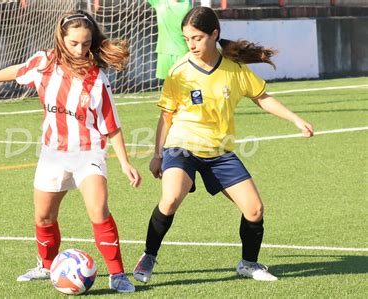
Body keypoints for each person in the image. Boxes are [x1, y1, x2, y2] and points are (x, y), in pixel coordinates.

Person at [0, 10, 141, 293]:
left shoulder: (97, 79)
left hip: (88, 152)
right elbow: (18, 70)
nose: (80, 50)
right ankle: (46, 265)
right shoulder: (44, 62)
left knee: (99, 211)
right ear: (61, 39)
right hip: (52, 153)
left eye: (86, 43)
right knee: (43, 217)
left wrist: (125, 163)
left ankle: (117, 275)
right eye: (74, 43)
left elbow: (111, 125)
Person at [133, 6, 314, 283]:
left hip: (219, 151)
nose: (191, 44)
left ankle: (249, 264)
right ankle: (149, 256)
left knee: (254, 209)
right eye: (187, 38)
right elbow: (166, 116)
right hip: (182, 147)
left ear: (214, 34)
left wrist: (295, 119)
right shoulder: (179, 71)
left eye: (197, 37)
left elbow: (262, 97)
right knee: (170, 199)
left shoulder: (235, 69)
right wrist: (158, 154)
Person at [148, 0, 192, 80]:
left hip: (182, 52)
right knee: (167, 84)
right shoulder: (159, 2)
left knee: (183, 83)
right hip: (164, 51)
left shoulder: (186, 4)